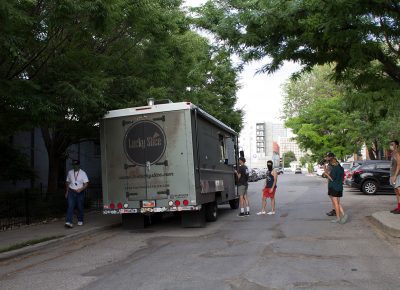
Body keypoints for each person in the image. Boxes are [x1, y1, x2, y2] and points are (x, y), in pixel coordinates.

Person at [65, 160, 89, 228]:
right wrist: (67, 191)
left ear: (79, 165)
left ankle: (80, 220)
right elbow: (67, 182)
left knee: (80, 206)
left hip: (80, 192)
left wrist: (81, 189)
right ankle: (68, 222)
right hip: (71, 191)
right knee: (70, 206)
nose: (74, 166)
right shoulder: (70, 172)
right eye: (73, 165)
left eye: (76, 165)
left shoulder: (83, 173)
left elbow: (86, 184)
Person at [323, 156, 347, 224]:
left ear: (332, 163)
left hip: (334, 187)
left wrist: (326, 173)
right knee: (338, 203)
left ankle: (338, 218)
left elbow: (332, 178)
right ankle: (343, 215)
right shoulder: (341, 168)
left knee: (335, 204)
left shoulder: (334, 169)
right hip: (340, 187)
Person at [324, 152, 336, 217]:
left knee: (333, 197)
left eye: (327, 157)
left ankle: (336, 210)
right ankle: (335, 210)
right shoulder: (333, 163)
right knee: (332, 196)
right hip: (333, 183)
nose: (326, 158)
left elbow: (328, 174)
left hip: (333, 183)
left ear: (331, 157)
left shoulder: (332, 164)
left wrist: (325, 171)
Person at [389, 140, 400, 214]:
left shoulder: (397, 154)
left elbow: (399, 165)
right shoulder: (393, 153)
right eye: (390, 144)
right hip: (392, 175)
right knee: (396, 192)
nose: (391, 146)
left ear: (396, 145)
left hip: (398, 175)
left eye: (392, 144)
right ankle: (399, 207)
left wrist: (395, 176)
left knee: (399, 191)